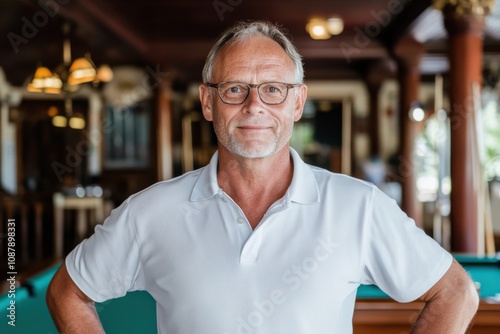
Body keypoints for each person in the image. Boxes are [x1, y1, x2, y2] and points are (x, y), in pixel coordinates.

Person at [47, 21, 478, 333]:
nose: (255, 106)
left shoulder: (359, 206)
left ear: (297, 103)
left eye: (273, 89)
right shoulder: (150, 211)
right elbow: (67, 291)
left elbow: (456, 292)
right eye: (235, 88)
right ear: (207, 101)